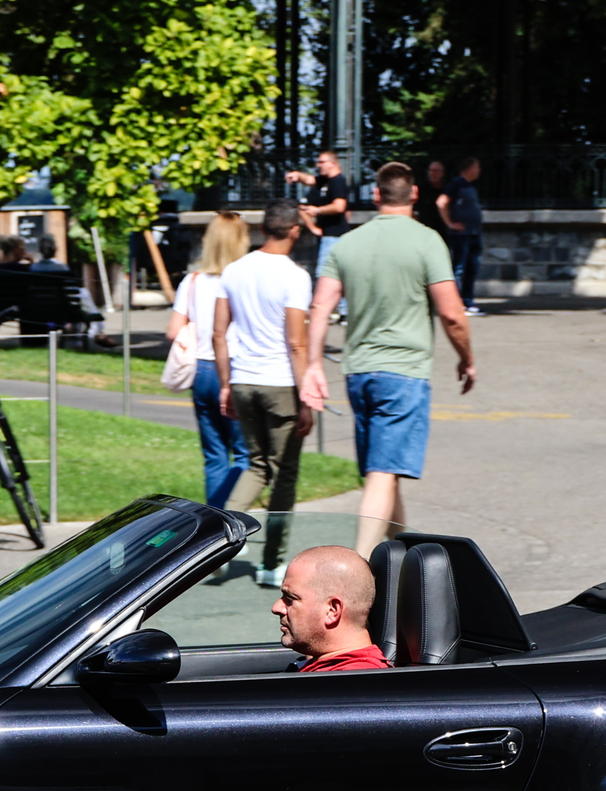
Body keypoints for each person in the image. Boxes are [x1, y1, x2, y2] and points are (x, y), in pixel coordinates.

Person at [304, 161, 476, 557]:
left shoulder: (347, 244)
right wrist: (467, 358)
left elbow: (320, 304)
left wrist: (313, 365)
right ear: (415, 194)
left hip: (359, 372)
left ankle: (401, 559)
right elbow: (452, 314)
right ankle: (358, 568)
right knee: (382, 475)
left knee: (385, 474)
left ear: (376, 195)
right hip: (403, 373)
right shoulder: (428, 240)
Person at [213, 201, 316, 580]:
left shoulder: (235, 270)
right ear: (293, 231)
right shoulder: (295, 276)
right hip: (280, 384)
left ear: (262, 230)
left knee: (255, 466)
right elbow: (296, 343)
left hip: (243, 378)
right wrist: (306, 397)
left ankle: (218, 548)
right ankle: (272, 562)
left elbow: (218, 333)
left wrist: (226, 383)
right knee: (283, 473)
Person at [167, 211, 251, 508]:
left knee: (214, 455)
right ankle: (236, 515)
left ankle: (216, 523)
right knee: (245, 454)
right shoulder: (243, 278)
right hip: (235, 368)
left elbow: (173, 330)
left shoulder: (192, 281)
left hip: (201, 370)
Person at [272, 546, 389, 672]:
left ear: (332, 610)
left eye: (290, 599)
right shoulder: (329, 670)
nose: (276, 608)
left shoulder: (353, 683)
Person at [288, 149, 356, 276]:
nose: (318, 165)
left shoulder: (338, 181)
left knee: (324, 274)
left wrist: (318, 210)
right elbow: (309, 180)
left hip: (335, 235)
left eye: (322, 162)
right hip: (325, 235)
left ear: (332, 163)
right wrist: (297, 175)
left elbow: (339, 206)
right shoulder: (325, 181)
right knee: (331, 274)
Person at [438, 156, 484, 315]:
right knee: (459, 268)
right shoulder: (456, 184)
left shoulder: (469, 186)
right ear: (469, 168)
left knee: (472, 268)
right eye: (477, 167)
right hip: (461, 235)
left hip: (473, 233)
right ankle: (456, 303)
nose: (479, 170)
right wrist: (450, 223)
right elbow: (441, 202)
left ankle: (468, 301)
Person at [416, 160, 448, 238]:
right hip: (424, 230)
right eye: (430, 170)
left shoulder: (447, 189)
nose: (433, 173)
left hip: (444, 231)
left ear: (443, 173)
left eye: (436, 171)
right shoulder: (421, 189)